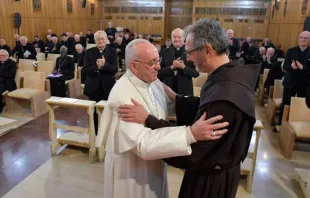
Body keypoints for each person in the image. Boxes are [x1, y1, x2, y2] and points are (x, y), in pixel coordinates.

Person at [119, 19, 260, 198]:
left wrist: (149, 120)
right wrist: (177, 99)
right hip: (213, 169)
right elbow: (206, 106)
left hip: (211, 180)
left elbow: (197, 151)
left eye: (190, 52)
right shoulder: (227, 74)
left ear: (208, 50)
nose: (188, 58)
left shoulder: (227, 95)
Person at [96, 39, 229, 198]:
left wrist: (178, 98)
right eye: (152, 62)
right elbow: (141, 145)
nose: (159, 66)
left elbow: (166, 107)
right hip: (133, 172)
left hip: (156, 164)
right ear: (133, 66)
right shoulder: (123, 96)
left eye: (158, 60)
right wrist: (190, 134)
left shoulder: (154, 82)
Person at [83, 30, 117, 134]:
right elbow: (85, 70)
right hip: (93, 88)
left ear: (106, 39)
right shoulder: (89, 52)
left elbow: (115, 69)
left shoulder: (112, 51)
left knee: (108, 111)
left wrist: (105, 65)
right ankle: (96, 133)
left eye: (102, 38)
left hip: (108, 87)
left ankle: (108, 132)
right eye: (98, 39)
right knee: (94, 113)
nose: (101, 41)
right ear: (95, 40)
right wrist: (97, 67)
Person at [277, 31, 310, 127]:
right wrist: (291, 67)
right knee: (285, 103)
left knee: (301, 105)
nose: (302, 39)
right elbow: (285, 67)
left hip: (304, 83)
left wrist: (302, 67)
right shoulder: (291, 51)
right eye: (301, 37)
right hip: (290, 81)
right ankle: (280, 124)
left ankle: (296, 125)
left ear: (309, 40)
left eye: (305, 38)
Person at [159, 28, 199, 96]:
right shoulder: (164, 52)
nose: (177, 39)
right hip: (168, 91)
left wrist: (183, 67)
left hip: (185, 91)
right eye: (174, 37)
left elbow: (195, 74)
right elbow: (159, 73)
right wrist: (172, 67)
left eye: (179, 37)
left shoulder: (191, 52)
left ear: (184, 38)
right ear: (171, 39)